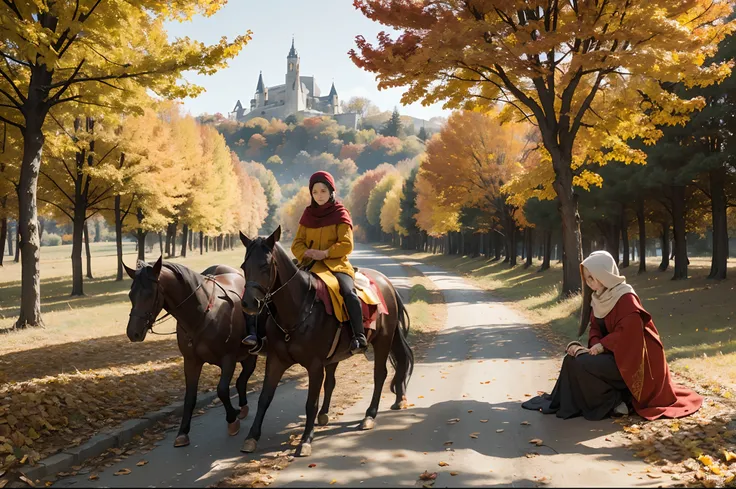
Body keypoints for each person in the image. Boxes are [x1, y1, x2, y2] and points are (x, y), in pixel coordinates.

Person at [522, 250, 702, 421]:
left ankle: (615, 402)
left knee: (582, 362)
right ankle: (603, 402)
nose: (590, 283)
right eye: (587, 279)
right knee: (571, 360)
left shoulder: (625, 297)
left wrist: (602, 346)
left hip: (634, 359)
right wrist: (593, 345)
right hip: (611, 354)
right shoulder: (598, 297)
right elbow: (595, 327)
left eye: (594, 277)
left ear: (606, 274)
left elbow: (630, 333)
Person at [291, 171, 367, 355]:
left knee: (348, 292)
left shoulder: (341, 213)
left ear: (331, 191)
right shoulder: (307, 214)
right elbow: (297, 243)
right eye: (315, 192)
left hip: (336, 265)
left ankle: (359, 335)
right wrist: (306, 253)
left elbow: (347, 244)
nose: (319, 196)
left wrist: (324, 253)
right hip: (309, 265)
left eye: (323, 191)